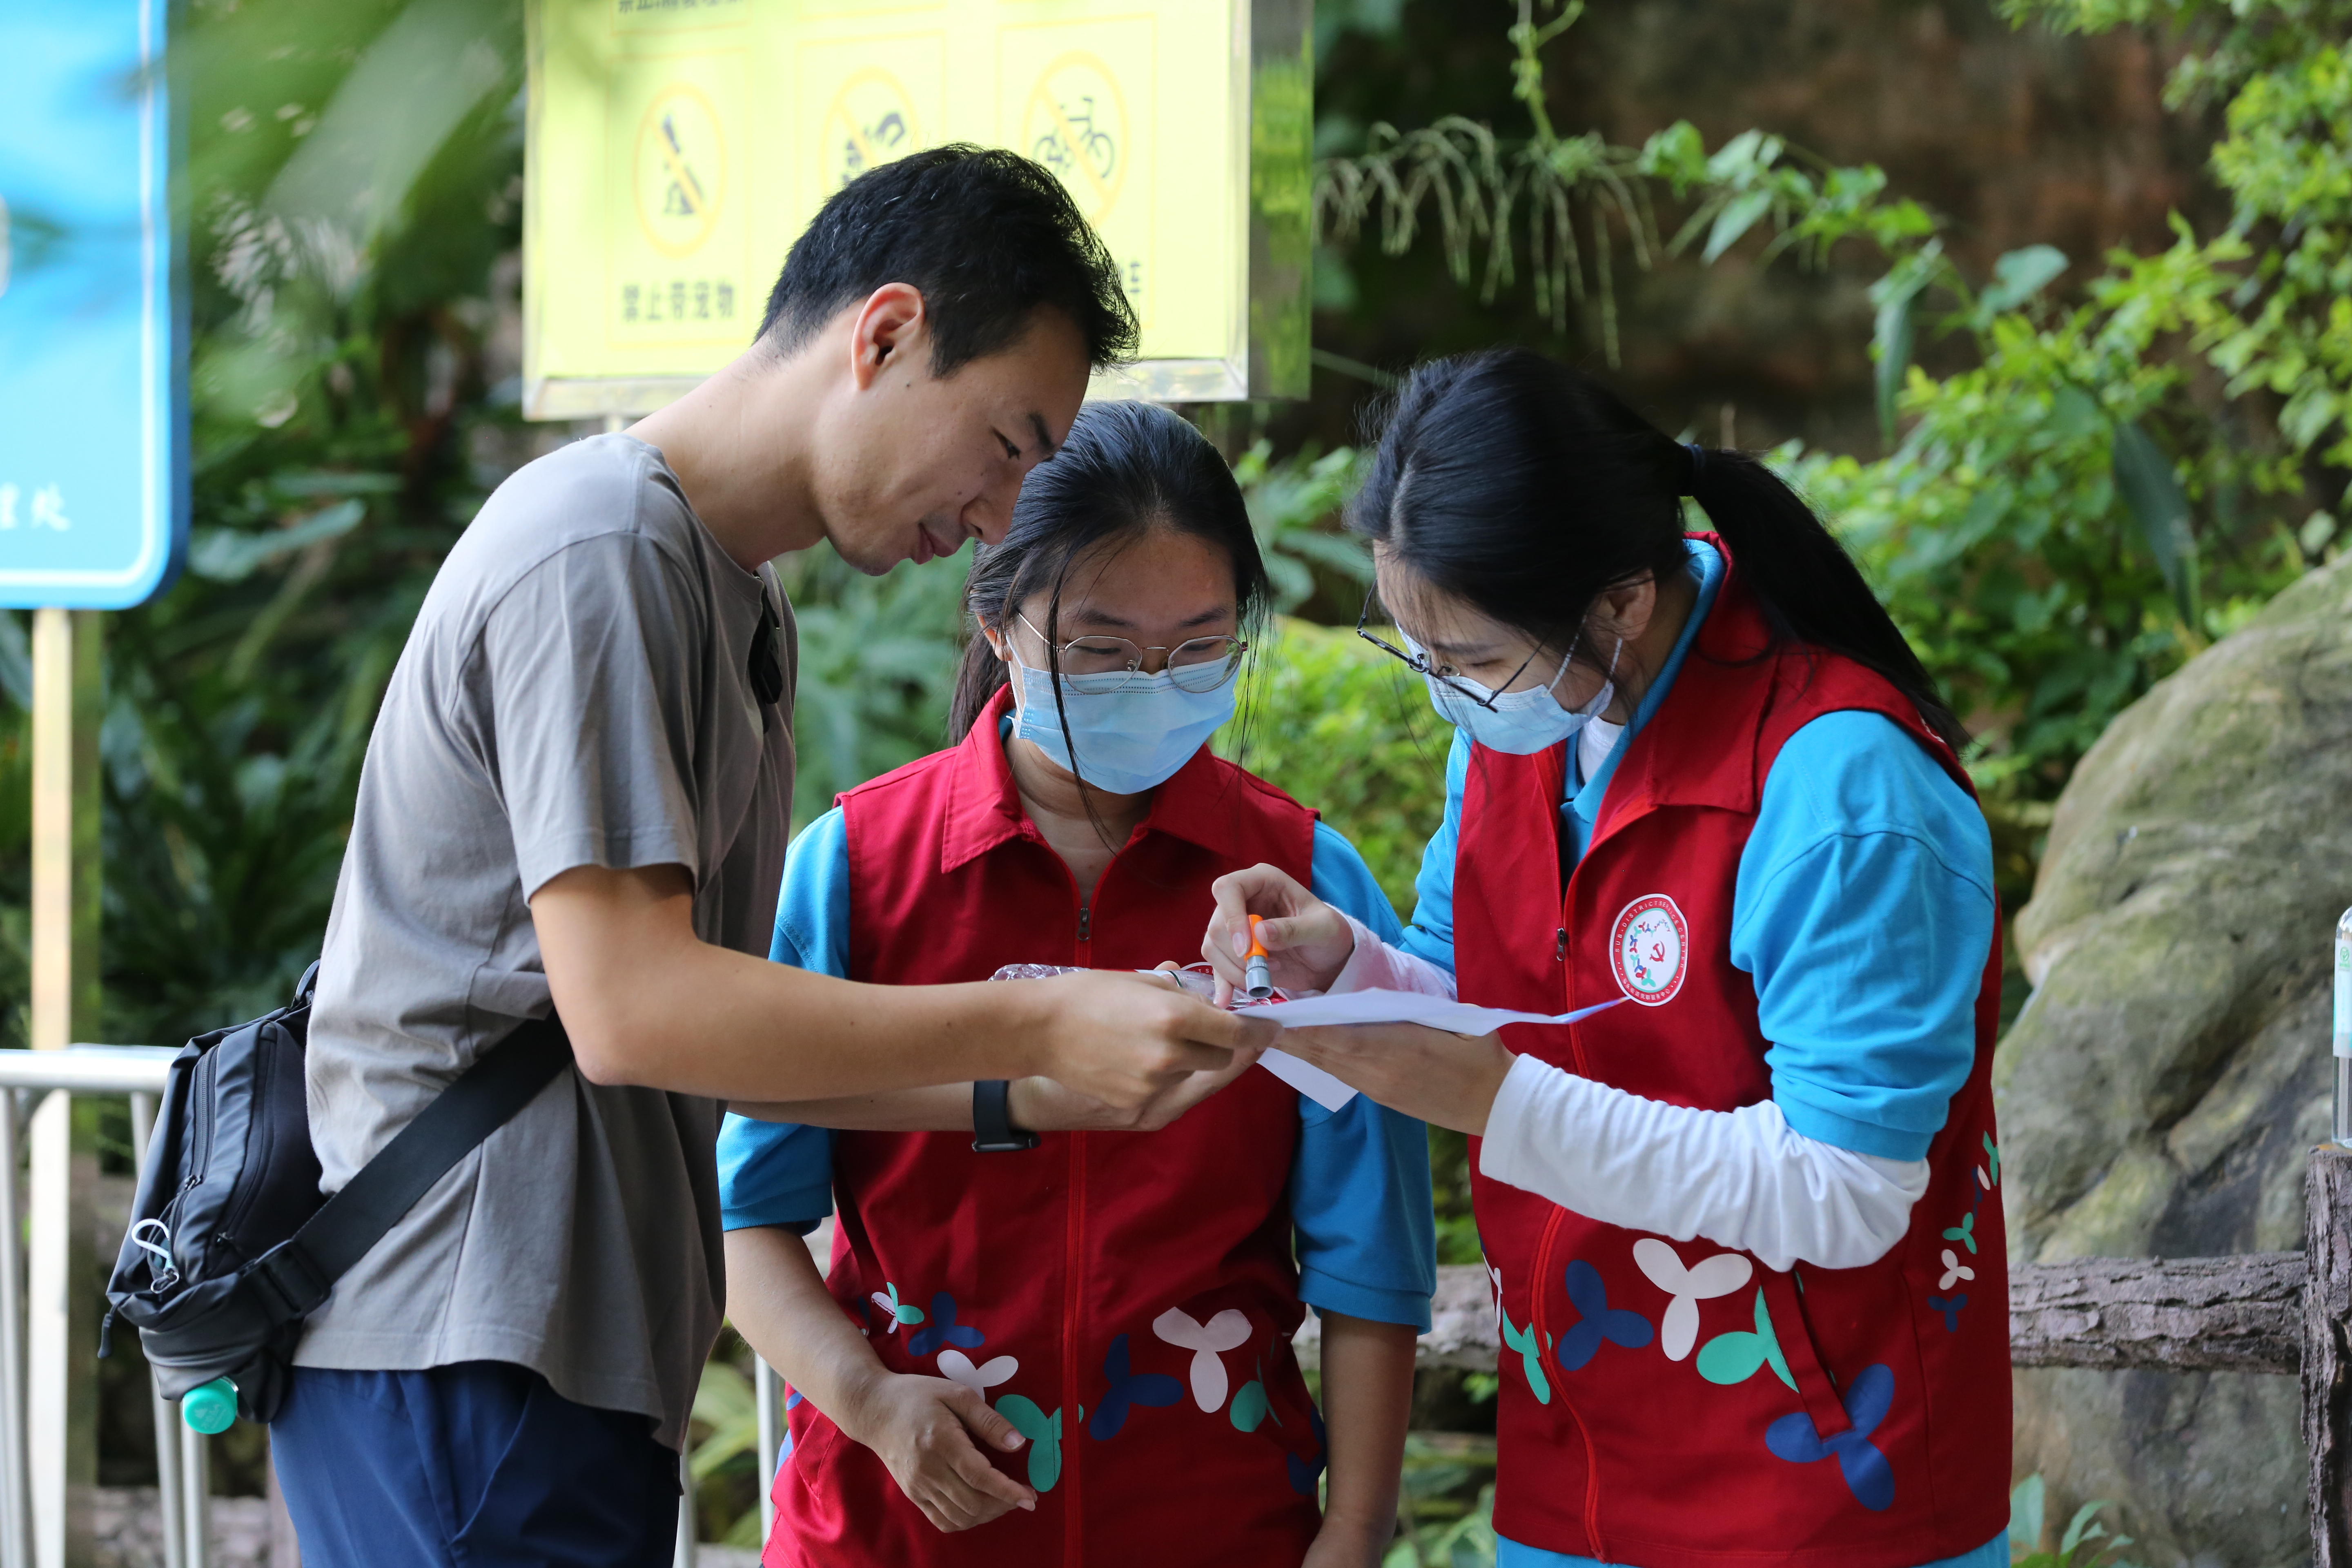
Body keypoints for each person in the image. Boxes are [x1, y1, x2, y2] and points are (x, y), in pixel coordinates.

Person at [272, 149, 1279, 1568]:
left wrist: (1043, 1093)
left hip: (554, 1358)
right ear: (884, 335)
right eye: (1006, 445)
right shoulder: (600, 552)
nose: (1000, 520)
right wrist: (1046, 1011)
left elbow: (733, 1045)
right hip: (466, 1345)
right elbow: (636, 1011)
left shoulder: (729, 592)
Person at [1200, 350, 2009, 1568]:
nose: (1448, 695)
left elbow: (1847, 1191)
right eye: (1418, 650)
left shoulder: (1843, 786)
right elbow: (1486, 1003)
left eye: (1469, 659)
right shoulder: (1530, 722)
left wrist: (1490, 1100)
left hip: (1824, 1496)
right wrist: (1347, 971)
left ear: (1624, 600)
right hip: (1577, 1463)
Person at [719, 400, 1434, 1568]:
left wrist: (1352, 1532)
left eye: (1199, 645)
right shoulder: (857, 873)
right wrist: (869, 1401)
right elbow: (745, 1215)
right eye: (1101, 648)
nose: (1151, 680)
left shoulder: (1302, 892)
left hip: (1212, 1520)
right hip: (898, 1526)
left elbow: (1372, 1255)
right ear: (997, 622)